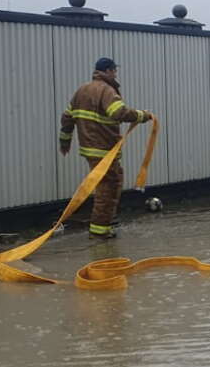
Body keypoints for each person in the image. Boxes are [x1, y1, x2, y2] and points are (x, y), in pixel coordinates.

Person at [59, 57, 153, 239]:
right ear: (108, 71)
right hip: (103, 149)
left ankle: (105, 221)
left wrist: (65, 142)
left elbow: (66, 117)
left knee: (112, 181)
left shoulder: (82, 90)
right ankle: (100, 230)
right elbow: (119, 112)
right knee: (108, 187)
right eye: (114, 71)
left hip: (90, 148)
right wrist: (143, 115)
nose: (116, 74)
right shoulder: (106, 90)